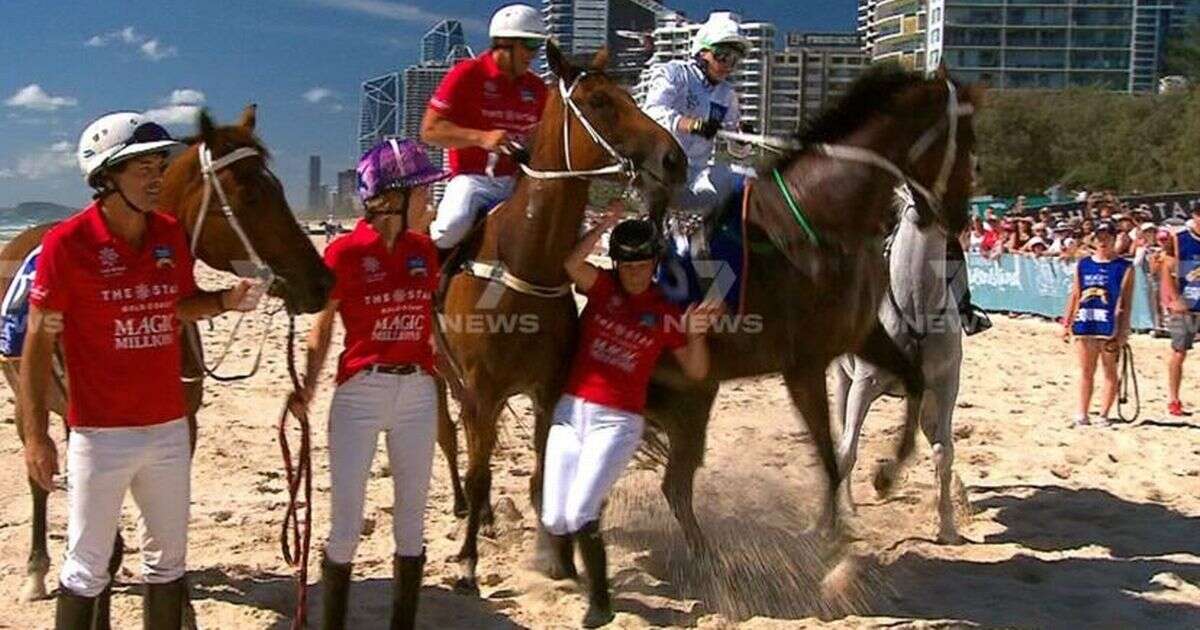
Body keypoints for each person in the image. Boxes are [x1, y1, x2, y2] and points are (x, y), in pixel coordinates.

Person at [21, 112, 258, 629]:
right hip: (101, 435)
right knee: (85, 569)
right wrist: (36, 435)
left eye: (158, 165)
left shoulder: (169, 234)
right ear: (105, 178)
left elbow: (178, 306)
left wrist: (225, 300)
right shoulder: (67, 245)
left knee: (168, 564)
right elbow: (38, 345)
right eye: (141, 168)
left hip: (169, 429)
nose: (156, 177)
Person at [289, 139, 448, 630]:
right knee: (345, 524)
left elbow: (430, 321)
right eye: (423, 192)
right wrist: (307, 388)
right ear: (391, 200)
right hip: (360, 391)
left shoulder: (426, 251)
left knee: (412, 522)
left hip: (418, 392)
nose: (431, 202)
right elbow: (323, 327)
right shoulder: (344, 253)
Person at [541, 205, 721, 628]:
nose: (635, 273)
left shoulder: (663, 312)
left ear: (655, 264)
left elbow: (696, 372)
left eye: (642, 265)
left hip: (618, 421)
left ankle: (600, 603)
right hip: (570, 413)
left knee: (583, 510)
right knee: (555, 518)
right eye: (627, 264)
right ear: (616, 263)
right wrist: (602, 226)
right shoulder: (603, 288)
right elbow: (571, 264)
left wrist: (695, 335)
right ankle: (584, 572)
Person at [420, 3, 548, 251]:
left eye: (538, 46)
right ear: (503, 43)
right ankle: (430, 282)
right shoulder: (467, 73)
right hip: (473, 180)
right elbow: (429, 131)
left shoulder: (538, 88)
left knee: (567, 230)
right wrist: (482, 138)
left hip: (519, 182)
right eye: (529, 45)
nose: (534, 54)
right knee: (451, 228)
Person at [641, 11, 749, 215]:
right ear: (702, 52)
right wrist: (691, 124)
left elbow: (737, 151)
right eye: (722, 56)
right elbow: (651, 113)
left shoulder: (727, 94)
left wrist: (741, 141)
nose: (727, 66)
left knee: (750, 180)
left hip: (695, 177)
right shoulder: (674, 73)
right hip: (659, 172)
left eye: (734, 60)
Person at [1061, 221, 1134, 426]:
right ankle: (1082, 413)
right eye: (1100, 237)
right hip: (1085, 321)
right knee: (1086, 371)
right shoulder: (1084, 264)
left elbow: (1126, 302)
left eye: (1107, 237)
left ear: (1114, 238)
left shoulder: (1124, 267)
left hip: (1109, 323)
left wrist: (1123, 330)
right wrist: (1066, 323)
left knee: (1110, 369)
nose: (1103, 241)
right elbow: (1075, 294)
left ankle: (1103, 414)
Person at [1162, 206, 1200, 416]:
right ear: (1194, 216)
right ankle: (1174, 399)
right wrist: (1174, 299)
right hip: (1186, 304)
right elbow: (1166, 269)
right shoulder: (1180, 240)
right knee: (1179, 352)